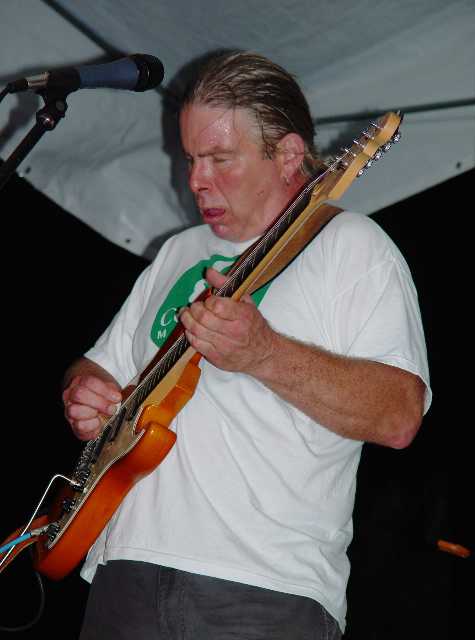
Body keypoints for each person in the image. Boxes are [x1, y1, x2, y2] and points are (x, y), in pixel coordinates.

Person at [63, 51, 431, 639]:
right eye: (190, 158)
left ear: (287, 154)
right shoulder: (178, 251)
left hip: (262, 589)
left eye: (219, 158)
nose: (195, 180)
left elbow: (399, 415)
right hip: (121, 573)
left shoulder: (352, 246)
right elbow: (96, 364)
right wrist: (85, 391)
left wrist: (265, 353)